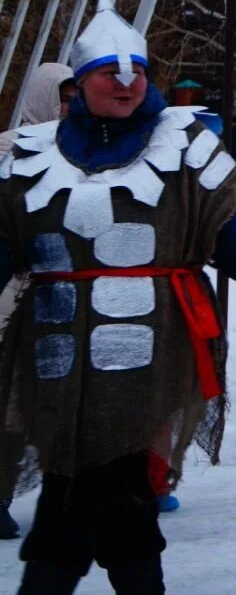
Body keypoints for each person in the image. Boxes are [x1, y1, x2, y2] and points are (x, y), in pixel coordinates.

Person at [0, 0, 236, 594]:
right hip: (56, 355)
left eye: (136, 70)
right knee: (100, 493)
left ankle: (67, 571)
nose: (125, 81)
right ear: (80, 83)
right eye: (109, 72)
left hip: (151, 352)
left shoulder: (184, 145)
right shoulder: (32, 154)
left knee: (102, 488)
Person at [0, 61, 74, 541]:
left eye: (75, 95)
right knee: (7, 398)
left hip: (62, 287)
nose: (70, 105)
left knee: (59, 398)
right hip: (12, 286)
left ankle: (68, 494)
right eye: (63, 96)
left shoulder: (88, 151)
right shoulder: (9, 148)